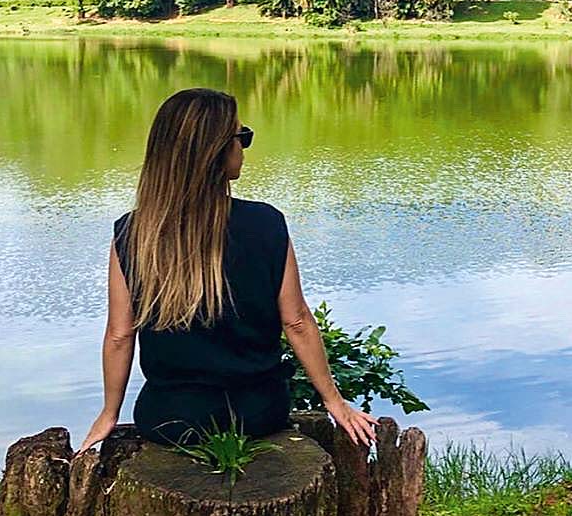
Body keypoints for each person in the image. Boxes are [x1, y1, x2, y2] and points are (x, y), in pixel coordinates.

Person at [76, 87, 377, 455]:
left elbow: (120, 335)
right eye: (241, 137)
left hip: (170, 419)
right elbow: (296, 320)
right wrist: (334, 400)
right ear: (215, 150)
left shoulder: (134, 232)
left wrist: (109, 413)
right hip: (258, 414)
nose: (244, 148)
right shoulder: (266, 223)